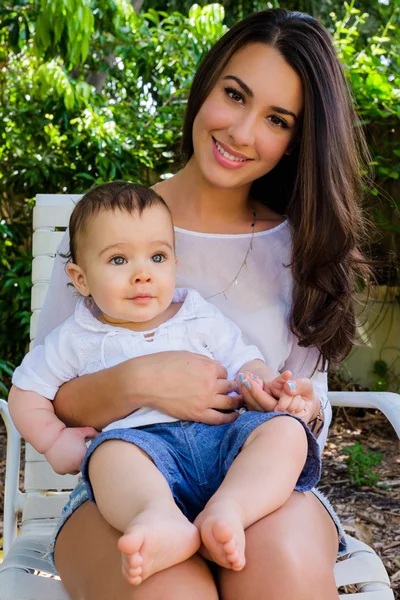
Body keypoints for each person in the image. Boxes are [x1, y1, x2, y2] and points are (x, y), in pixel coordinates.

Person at [9, 8, 371, 600]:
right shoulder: (108, 233)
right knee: (166, 590)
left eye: (277, 119)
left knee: (280, 573)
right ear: (207, 86)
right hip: (125, 484)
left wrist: (292, 400)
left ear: (296, 141)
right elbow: (52, 396)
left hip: (256, 482)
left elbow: (308, 416)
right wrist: (144, 379)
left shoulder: (303, 249)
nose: (242, 132)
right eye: (235, 94)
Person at [10, 182, 321, 584]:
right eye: (118, 260)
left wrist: (267, 387)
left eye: (157, 257)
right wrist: (53, 440)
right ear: (81, 278)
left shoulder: (196, 313)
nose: (142, 274)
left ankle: (230, 509)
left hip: (224, 439)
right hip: (143, 451)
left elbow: (244, 360)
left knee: (286, 432)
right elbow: (26, 391)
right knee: (109, 456)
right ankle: (157, 517)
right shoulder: (76, 336)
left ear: (174, 262)